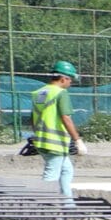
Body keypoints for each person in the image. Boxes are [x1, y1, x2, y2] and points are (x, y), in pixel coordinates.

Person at [26, 61, 81, 211]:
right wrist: (77, 140)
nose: (71, 83)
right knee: (51, 176)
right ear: (63, 79)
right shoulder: (60, 93)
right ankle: (44, 210)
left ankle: (68, 206)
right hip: (55, 143)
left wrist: (39, 134)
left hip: (42, 141)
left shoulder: (40, 92)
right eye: (71, 80)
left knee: (66, 170)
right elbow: (66, 118)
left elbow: (32, 118)